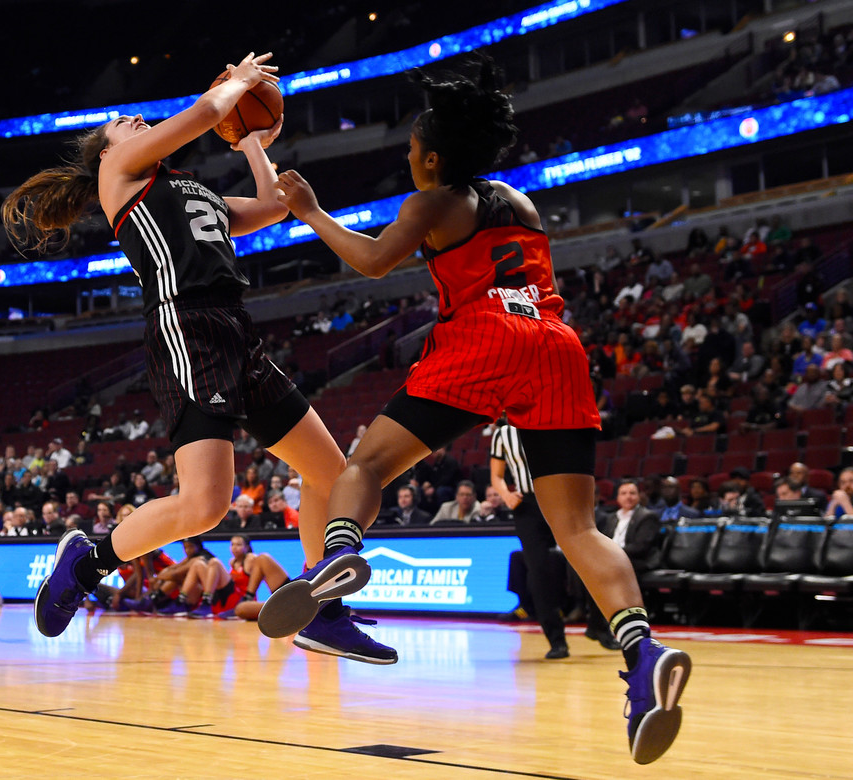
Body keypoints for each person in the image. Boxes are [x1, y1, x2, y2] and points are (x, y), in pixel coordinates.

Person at [261, 54, 689, 761]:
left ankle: (334, 562)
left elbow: (371, 261)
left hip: (484, 338)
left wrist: (308, 211)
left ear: (431, 157)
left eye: (410, 150)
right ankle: (643, 653)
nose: (407, 158)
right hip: (555, 343)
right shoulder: (517, 202)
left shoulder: (432, 203)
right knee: (578, 528)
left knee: (366, 462)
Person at [6, 52, 375, 660]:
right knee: (205, 506)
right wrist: (234, 86)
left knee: (332, 475)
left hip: (238, 330)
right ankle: (86, 562)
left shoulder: (195, 190)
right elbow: (205, 111)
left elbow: (275, 205)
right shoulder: (121, 174)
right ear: (106, 151)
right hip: (187, 328)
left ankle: (324, 610)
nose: (137, 125)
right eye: (125, 123)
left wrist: (253, 141)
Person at [491, 421, 617, 659]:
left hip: (560, 498)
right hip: (526, 506)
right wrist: (506, 494)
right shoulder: (503, 434)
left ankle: (599, 627)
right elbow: (496, 475)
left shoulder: (551, 422)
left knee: (588, 559)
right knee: (538, 571)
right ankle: (556, 641)